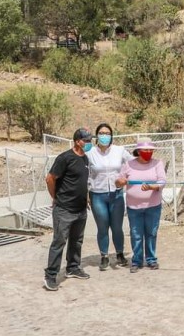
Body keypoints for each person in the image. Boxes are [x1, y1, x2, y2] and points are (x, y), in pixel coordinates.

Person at [43, 128, 94, 291]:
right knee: (59, 242)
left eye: (90, 140)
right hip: (64, 209)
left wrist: (86, 197)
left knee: (77, 240)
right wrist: (55, 197)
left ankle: (73, 267)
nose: (89, 143)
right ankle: (51, 275)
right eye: (86, 140)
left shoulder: (85, 158)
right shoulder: (65, 158)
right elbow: (50, 178)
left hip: (80, 209)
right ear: (77, 141)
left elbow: (82, 181)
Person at [115, 139, 166, 273]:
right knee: (136, 234)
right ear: (138, 151)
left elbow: (162, 181)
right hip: (134, 207)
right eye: (145, 150)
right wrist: (120, 181)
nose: (148, 152)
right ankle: (136, 261)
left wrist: (151, 187)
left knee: (151, 233)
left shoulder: (157, 163)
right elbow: (118, 181)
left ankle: (151, 259)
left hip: (153, 205)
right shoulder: (128, 164)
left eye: (151, 150)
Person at [87, 123, 132, 270]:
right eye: (101, 133)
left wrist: (126, 178)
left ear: (111, 136)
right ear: (96, 135)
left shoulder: (119, 150)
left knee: (117, 227)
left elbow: (132, 163)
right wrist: (86, 193)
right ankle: (104, 256)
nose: (104, 136)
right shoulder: (90, 153)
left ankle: (120, 254)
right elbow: (84, 173)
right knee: (102, 227)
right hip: (97, 195)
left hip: (116, 194)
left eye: (107, 133)